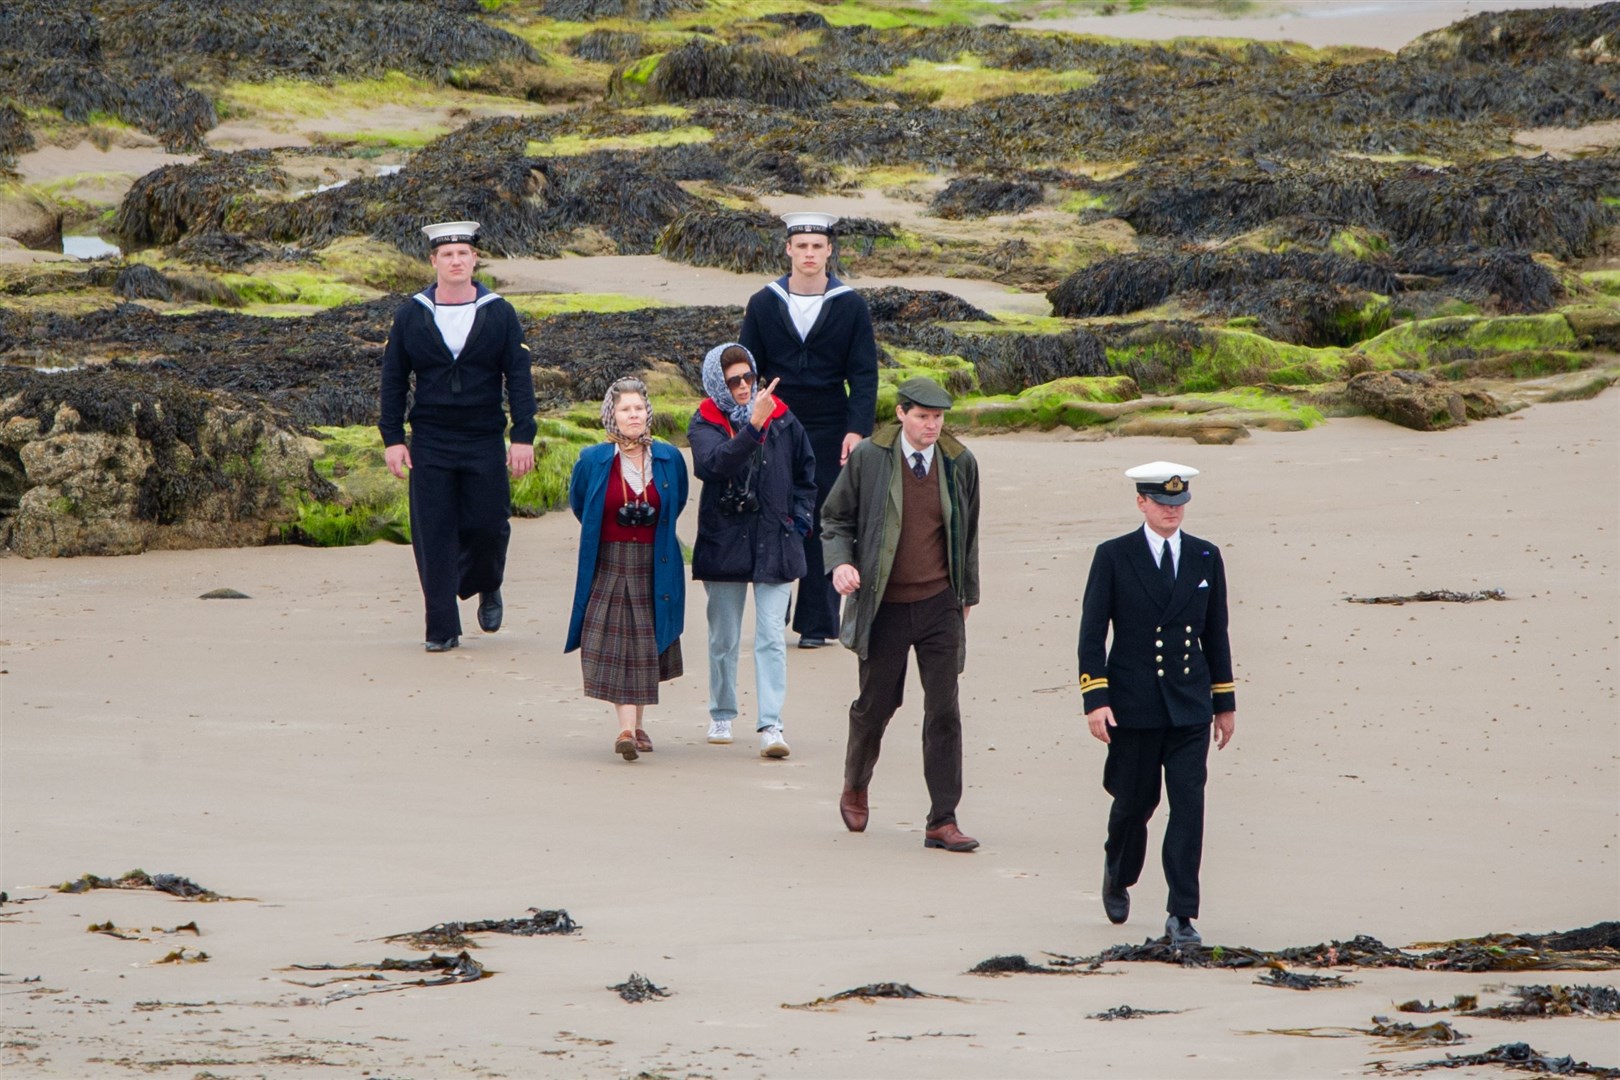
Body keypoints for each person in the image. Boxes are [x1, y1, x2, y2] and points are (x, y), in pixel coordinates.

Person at [1078, 461, 1237, 947]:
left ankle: (1181, 914)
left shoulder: (1206, 557)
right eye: (1163, 503)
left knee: (1189, 805)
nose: (1173, 511)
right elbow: (1091, 634)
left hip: (1189, 703)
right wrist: (1095, 700)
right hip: (1134, 704)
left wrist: (1224, 703)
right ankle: (1118, 870)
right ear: (1142, 502)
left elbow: (1216, 633)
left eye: (1179, 502)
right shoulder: (1114, 556)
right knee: (1134, 802)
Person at [822, 377, 981, 852]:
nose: (932, 426)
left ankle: (942, 819)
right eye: (922, 417)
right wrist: (841, 564)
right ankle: (855, 782)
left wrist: (967, 594)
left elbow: (969, 532)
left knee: (944, 709)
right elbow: (834, 518)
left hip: (939, 604)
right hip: (884, 604)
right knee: (875, 706)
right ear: (901, 414)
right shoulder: (870, 458)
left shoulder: (959, 462)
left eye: (938, 418)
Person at [379, 220, 536, 652]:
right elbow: (393, 380)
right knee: (433, 533)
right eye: (446, 254)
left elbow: (518, 378)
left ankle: (487, 583)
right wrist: (393, 439)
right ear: (433, 261)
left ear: (474, 259)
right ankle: (441, 628)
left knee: (488, 525)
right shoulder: (411, 313)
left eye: (463, 253)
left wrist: (524, 434)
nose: (455, 260)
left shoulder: (498, 311)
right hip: (429, 440)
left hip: (484, 437)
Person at [739, 211, 878, 650]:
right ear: (788, 249)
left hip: (831, 425)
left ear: (829, 250)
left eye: (818, 246)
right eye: (802, 246)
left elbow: (864, 374)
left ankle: (817, 623)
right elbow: (746, 370)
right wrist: (749, 420)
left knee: (824, 519)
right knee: (775, 513)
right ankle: (772, 616)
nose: (810, 254)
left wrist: (857, 430)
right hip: (777, 421)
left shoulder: (850, 304)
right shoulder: (764, 302)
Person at [688, 343, 818, 758]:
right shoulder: (705, 420)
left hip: (775, 539)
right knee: (723, 637)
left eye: (749, 377)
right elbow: (712, 466)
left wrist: (798, 524)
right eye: (733, 381)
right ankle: (722, 713)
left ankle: (771, 725)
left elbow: (806, 474)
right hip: (724, 540)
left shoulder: (782, 416)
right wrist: (753, 427)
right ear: (717, 384)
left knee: (770, 638)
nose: (744, 387)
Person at [565, 377, 689, 761]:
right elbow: (581, 504)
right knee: (618, 645)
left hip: (657, 562)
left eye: (638, 408)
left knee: (645, 643)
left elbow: (677, 502)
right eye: (625, 409)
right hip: (610, 561)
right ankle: (625, 729)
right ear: (612, 416)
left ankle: (636, 724)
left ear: (647, 412)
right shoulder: (593, 459)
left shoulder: (669, 458)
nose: (633, 415)